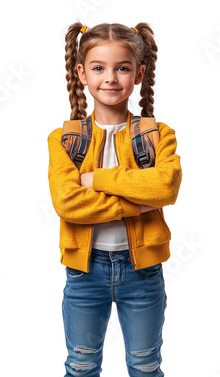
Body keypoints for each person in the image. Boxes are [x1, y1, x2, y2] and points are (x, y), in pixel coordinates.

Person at [47, 21, 182, 377]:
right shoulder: (63, 140)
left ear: (138, 73)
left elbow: (165, 188)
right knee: (81, 365)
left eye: (122, 68)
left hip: (143, 273)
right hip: (84, 273)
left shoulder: (157, 135)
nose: (110, 78)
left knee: (145, 365)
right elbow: (67, 204)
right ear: (81, 72)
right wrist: (137, 204)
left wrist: (97, 179)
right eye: (98, 68)